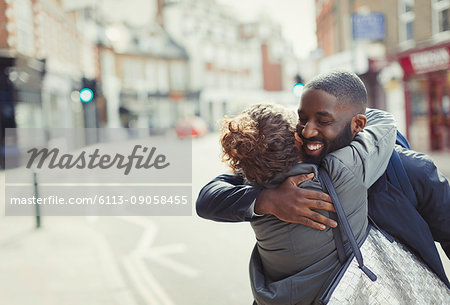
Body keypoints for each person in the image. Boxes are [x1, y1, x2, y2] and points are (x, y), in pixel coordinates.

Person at [197, 71, 450, 290]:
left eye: (323, 120)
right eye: (302, 118)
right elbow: (209, 196)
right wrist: (266, 200)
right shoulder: (284, 169)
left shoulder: (409, 169)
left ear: (358, 124)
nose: (307, 131)